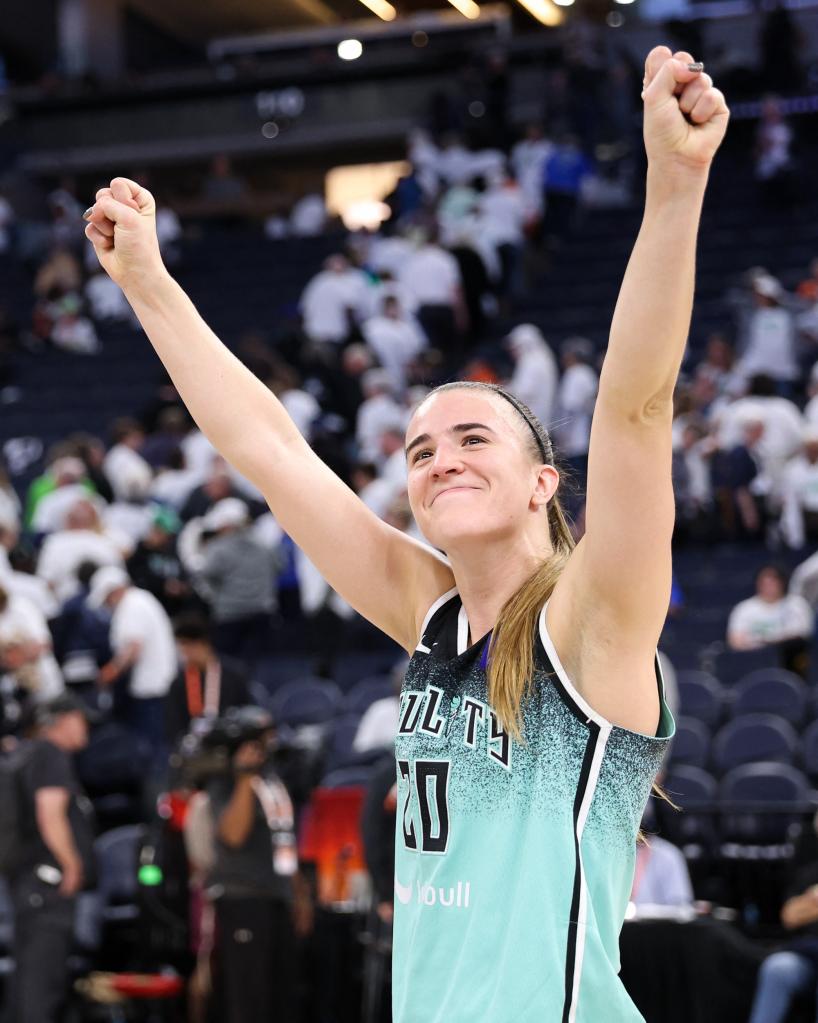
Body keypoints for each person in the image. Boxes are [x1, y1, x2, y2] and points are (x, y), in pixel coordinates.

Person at [83, 46, 727, 1021]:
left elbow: (634, 411)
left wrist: (674, 186)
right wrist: (148, 283)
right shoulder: (428, 618)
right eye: (420, 451)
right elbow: (269, 449)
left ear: (539, 485)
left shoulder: (587, 629)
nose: (439, 461)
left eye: (472, 438)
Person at [205, 708, 309, 1023]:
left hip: (276, 897)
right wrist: (244, 777)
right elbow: (233, 835)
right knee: (248, 998)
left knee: (280, 996)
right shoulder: (224, 782)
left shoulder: (274, 780)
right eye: (262, 739)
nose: (269, 744)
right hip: (243, 897)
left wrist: (299, 894)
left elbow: (284, 840)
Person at [8, 693, 96, 1023]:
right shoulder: (49, 754)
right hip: (47, 886)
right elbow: (50, 812)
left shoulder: (28, 754)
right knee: (41, 988)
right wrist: (71, 865)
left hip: (30, 885)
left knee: (29, 984)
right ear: (61, 720)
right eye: (80, 718)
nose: (86, 727)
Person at [88, 565, 177, 759]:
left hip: (152, 690)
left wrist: (109, 672)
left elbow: (133, 648)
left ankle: (156, 787)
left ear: (113, 591)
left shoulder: (132, 605)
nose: (107, 606)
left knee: (152, 746)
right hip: (158, 685)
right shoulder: (141, 600)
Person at [747, 814, 818, 1023]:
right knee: (777, 967)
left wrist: (812, 903)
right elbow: (789, 916)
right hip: (810, 955)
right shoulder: (812, 871)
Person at [165, 615, 250, 746]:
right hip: (194, 750)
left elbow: (245, 711)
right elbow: (174, 726)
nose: (184, 654)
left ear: (203, 644)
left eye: (188, 647)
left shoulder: (233, 676)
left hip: (229, 744)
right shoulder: (179, 683)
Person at [727, 565, 813, 677]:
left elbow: (801, 636)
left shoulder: (796, 604)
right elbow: (735, 642)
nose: (768, 587)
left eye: (773, 582)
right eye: (764, 583)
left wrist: (767, 642)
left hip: (790, 662)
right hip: (754, 662)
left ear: (781, 583)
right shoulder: (744, 608)